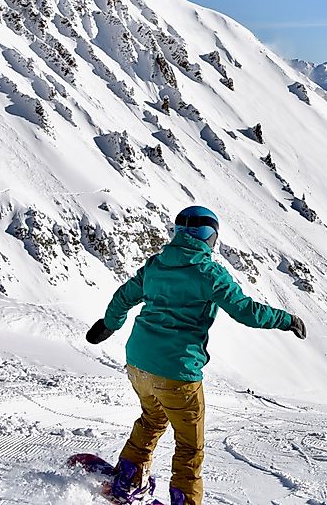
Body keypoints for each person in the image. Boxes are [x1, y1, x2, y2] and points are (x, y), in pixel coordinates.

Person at [85, 206, 307, 505]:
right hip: (177, 371)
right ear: (211, 238)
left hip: (138, 362)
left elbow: (124, 297)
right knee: (190, 447)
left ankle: (127, 479)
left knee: (151, 420)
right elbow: (246, 312)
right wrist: (286, 320)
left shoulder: (157, 265)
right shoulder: (208, 272)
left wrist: (109, 325)